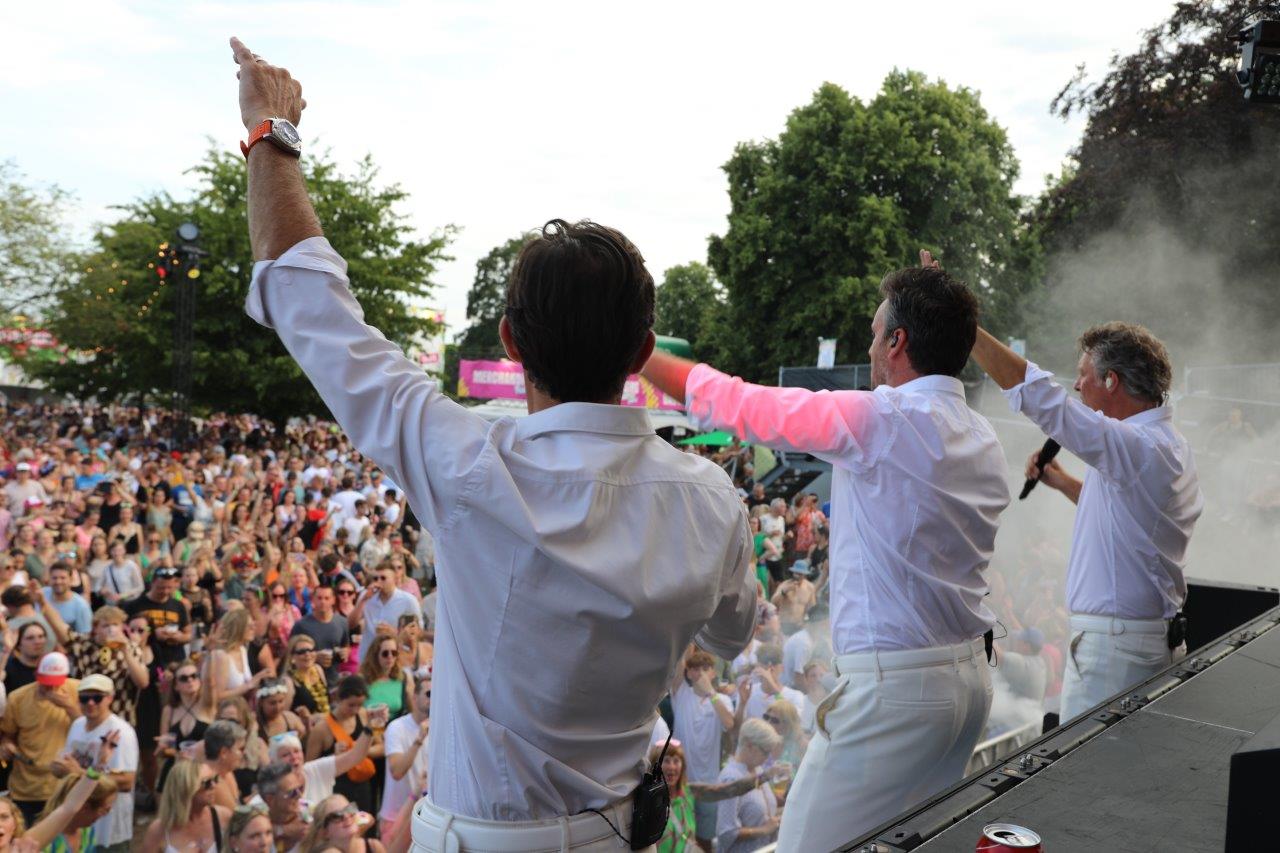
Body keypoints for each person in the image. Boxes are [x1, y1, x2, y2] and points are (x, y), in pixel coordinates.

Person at [230, 40, 756, 851]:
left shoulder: (468, 461)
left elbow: (308, 297)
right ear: (642, 350)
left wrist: (272, 132)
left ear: (509, 342)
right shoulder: (712, 500)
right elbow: (731, 633)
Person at [644, 253, 1009, 851]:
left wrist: (639, 355)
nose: (869, 348)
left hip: (896, 693)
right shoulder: (983, 433)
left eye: (874, 333)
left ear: (897, 342)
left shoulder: (883, 419)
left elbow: (741, 404)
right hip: (968, 684)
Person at [970, 316, 1203, 721]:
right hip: (1134, 643)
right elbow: (1131, 520)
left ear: (1111, 380)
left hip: (1115, 651)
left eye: (1082, 374)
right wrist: (1064, 483)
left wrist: (964, 327)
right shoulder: (1166, 444)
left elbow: (1046, 402)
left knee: (1096, 760)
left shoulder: (1140, 446)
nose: (1076, 386)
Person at [52, 674, 138, 853]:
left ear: (110, 698)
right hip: (80, 824)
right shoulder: (77, 725)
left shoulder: (121, 732)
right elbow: (69, 763)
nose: (90, 703)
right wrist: (59, 768)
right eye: (84, 698)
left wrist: (78, 773)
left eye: (97, 697)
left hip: (109, 828)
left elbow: (126, 782)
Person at [0, 652, 81, 826]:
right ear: (37, 675)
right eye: (46, 683)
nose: (50, 688)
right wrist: (7, 746)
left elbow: (90, 728)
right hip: (26, 788)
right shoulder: (18, 698)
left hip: (63, 786)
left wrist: (69, 707)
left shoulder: (78, 691)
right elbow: (8, 736)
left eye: (55, 683)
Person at [670, 648, 735, 851]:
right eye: (695, 668)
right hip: (681, 782)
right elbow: (679, 659)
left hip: (709, 783)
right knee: (683, 836)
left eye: (706, 668)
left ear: (713, 673)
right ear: (688, 673)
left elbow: (729, 723)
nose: (700, 673)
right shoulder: (681, 692)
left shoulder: (722, 700)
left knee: (706, 839)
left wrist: (712, 693)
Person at [305, 675, 382, 815]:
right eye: (351, 705)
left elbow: (382, 748)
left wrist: (359, 750)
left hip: (362, 786)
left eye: (359, 705)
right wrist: (333, 757)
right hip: (335, 790)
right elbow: (309, 768)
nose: (355, 710)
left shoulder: (363, 715)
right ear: (338, 699)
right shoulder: (322, 729)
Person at [714, 718, 782, 853]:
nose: (767, 757)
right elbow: (726, 832)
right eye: (765, 752)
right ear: (750, 746)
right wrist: (764, 830)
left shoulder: (757, 769)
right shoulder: (731, 778)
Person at [140, 759, 231, 853]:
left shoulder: (223, 817)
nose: (214, 786)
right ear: (186, 788)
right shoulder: (159, 830)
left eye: (215, 779)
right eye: (206, 783)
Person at [379, 675, 430, 840]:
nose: (433, 699)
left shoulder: (441, 728)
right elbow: (397, 772)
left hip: (427, 816)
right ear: (415, 698)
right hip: (396, 817)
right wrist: (419, 739)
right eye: (429, 694)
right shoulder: (396, 727)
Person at [347, 567, 420, 664]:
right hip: (368, 657)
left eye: (383, 578)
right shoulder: (366, 595)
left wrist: (394, 632)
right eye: (375, 578)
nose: (378, 581)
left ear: (394, 579)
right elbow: (350, 624)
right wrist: (363, 600)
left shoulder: (408, 600)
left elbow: (418, 632)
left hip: (394, 657)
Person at [35, 771, 119, 853]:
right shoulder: (44, 839)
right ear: (84, 807)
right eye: (104, 810)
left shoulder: (87, 831)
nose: (104, 815)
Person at [358, 626, 411, 721]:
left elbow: (411, 710)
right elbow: (354, 711)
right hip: (370, 726)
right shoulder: (362, 680)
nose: (390, 657)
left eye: (394, 653)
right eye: (385, 653)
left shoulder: (402, 678)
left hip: (394, 727)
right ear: (375, 655)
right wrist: (372, 713)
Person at [254, 762, 308, 853]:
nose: (299, 795)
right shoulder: (254, 819)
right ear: (270, 799)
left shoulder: (311, 813)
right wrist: (283, 830)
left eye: (300, 788)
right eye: (292, 792)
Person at [302, 794, 384, 853]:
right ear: (325, 832)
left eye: (349, 809)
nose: (346, 816)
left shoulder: (374, 846)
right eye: (337, 816)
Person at [282, 633, 330, 721]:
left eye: (311, 650)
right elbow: (284, 717)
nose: (307, 654)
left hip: (326, 724)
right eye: (301, 652)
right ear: (292, 657)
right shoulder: (288, 681)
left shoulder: (318, 669)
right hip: (303, 727)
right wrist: (312, 718)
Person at [202, 719, 248, 810]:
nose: (245, 753)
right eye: (241, 749)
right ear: (224, 752)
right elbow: (235, 815)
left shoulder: (227, 772)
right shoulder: (211, 781)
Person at [42, 564, 91, 635]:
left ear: (71, 580)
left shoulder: (81, 606)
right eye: (54, 578)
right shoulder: (42, 595)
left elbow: (85, 635)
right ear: (49, 579)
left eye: (63, 578)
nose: (58, 582)